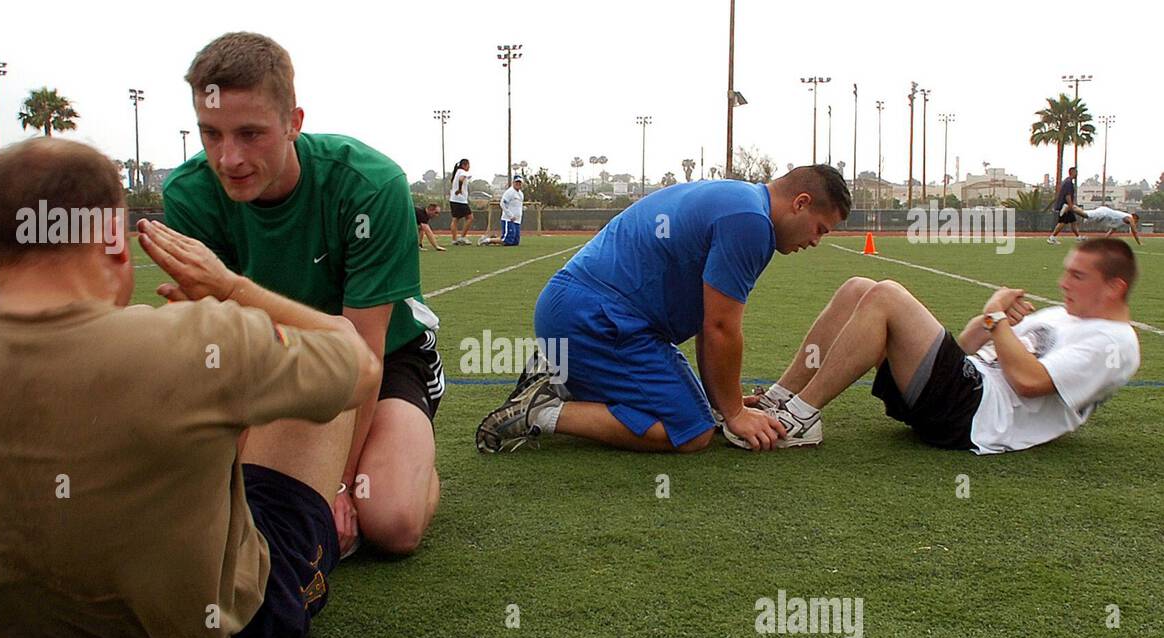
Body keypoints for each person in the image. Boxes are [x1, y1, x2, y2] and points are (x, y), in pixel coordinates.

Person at [0, 138, 381, 638]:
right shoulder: (201, 339)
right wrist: (234, 290)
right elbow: (357, 362)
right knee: (316, 388)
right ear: (116, 245)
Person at [161, 32, 442, 557]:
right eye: (211, 134)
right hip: (274, 360)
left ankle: (408, 451)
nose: (229, 158)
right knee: (241, 513)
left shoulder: (370, 186)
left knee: (390, 522)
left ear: (294, 122)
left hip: (382, 360)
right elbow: (219, 350)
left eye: (250, 133)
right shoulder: (190, 196)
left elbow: (363, 354)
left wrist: (339, 484)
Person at [475, 165, 851, 454]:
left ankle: (564, 374)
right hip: (595, 318)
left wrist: (728, 401)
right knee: (691, 431)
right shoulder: (750, 221)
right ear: (800, 203)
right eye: (820, 228)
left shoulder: (743, 201)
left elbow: (710, 324)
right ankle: (540, 410)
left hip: (584, 311)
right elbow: (720, 327)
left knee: (702, 412)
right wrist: (734, 414)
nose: (816, 241)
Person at [751, 239, 1140, 454]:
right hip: (963, 389)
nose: (1064, 283)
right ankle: (778, 400)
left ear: (1113, 287)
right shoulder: (1063, 315)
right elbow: (970, 344)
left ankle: (801, 418)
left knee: (886, 295)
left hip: (978, 414)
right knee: (859, 288)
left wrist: (996, 316)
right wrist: (991, 323)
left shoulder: (1114, 342)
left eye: (1077, 275)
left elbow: (1027, 380)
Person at [481, 175, 524, 246]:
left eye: (519, 183)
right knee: (507, 240)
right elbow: (502, 204)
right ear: (513, 182)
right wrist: (510, 215)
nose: (518, 184)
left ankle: (494, 240)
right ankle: (487, 240)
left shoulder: (521, 194)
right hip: (509, 219)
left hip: (517, 220)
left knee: (515, 242)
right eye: (516, 182)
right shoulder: (510, 192)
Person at [1048, 166, 1084, 244]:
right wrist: (1070, 206)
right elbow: (1067, 195)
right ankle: (1052, 238)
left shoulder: (1068, 181)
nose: (1077, 174)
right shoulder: (1068, 182)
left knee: (1073, 221)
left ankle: (1078, 237)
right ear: (1072, 172)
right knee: (1062, 222)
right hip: (1065, 206)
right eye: (1076, 172)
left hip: (1067, 206)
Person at [449, 158, 474, 245]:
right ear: (464, 165)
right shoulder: (462, 172)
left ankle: (454, 239)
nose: (469, 167)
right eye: (468, 165)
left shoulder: (457, 172)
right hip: (460, 200)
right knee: (470, 217)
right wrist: (459, 189)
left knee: (455, 219)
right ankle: (462, 237)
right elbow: (461, 179)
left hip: (453, 199)